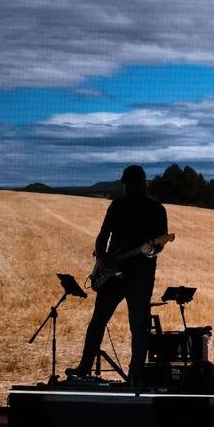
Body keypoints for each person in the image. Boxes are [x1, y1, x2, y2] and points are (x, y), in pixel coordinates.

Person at [67, 165, 169, 386]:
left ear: (143, 183)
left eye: (132, 184)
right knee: (98, 321)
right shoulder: (118, 205)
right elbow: (103, 235)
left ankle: (136, 376)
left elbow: (160, 244)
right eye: (127, 184)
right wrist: (102, 259)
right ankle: (84, 367)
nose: (129, 188)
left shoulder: (156, 210)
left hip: (140, 275)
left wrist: (152, 250)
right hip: (112, 273)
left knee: (138, 326)